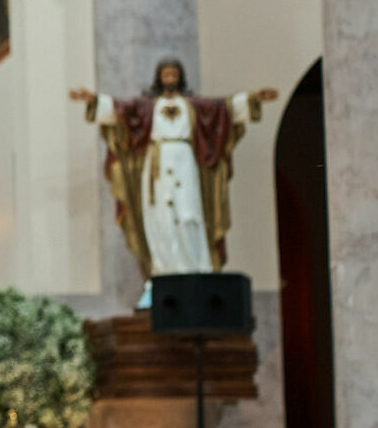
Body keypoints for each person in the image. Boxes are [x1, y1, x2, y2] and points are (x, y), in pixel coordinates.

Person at [70, 59, 278, 297]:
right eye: (166, 75)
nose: (170, 79)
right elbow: (122, 110)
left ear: (180, 77)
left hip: (185, 162)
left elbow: (223, 108)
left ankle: (196, 269)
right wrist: (92, 100)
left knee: (189, 213)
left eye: (174, 74)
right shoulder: (148, 106)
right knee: (160, 218)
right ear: (159, 77)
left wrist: (253, 99)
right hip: (157, 166)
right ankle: (163, 272)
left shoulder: (194, 105)